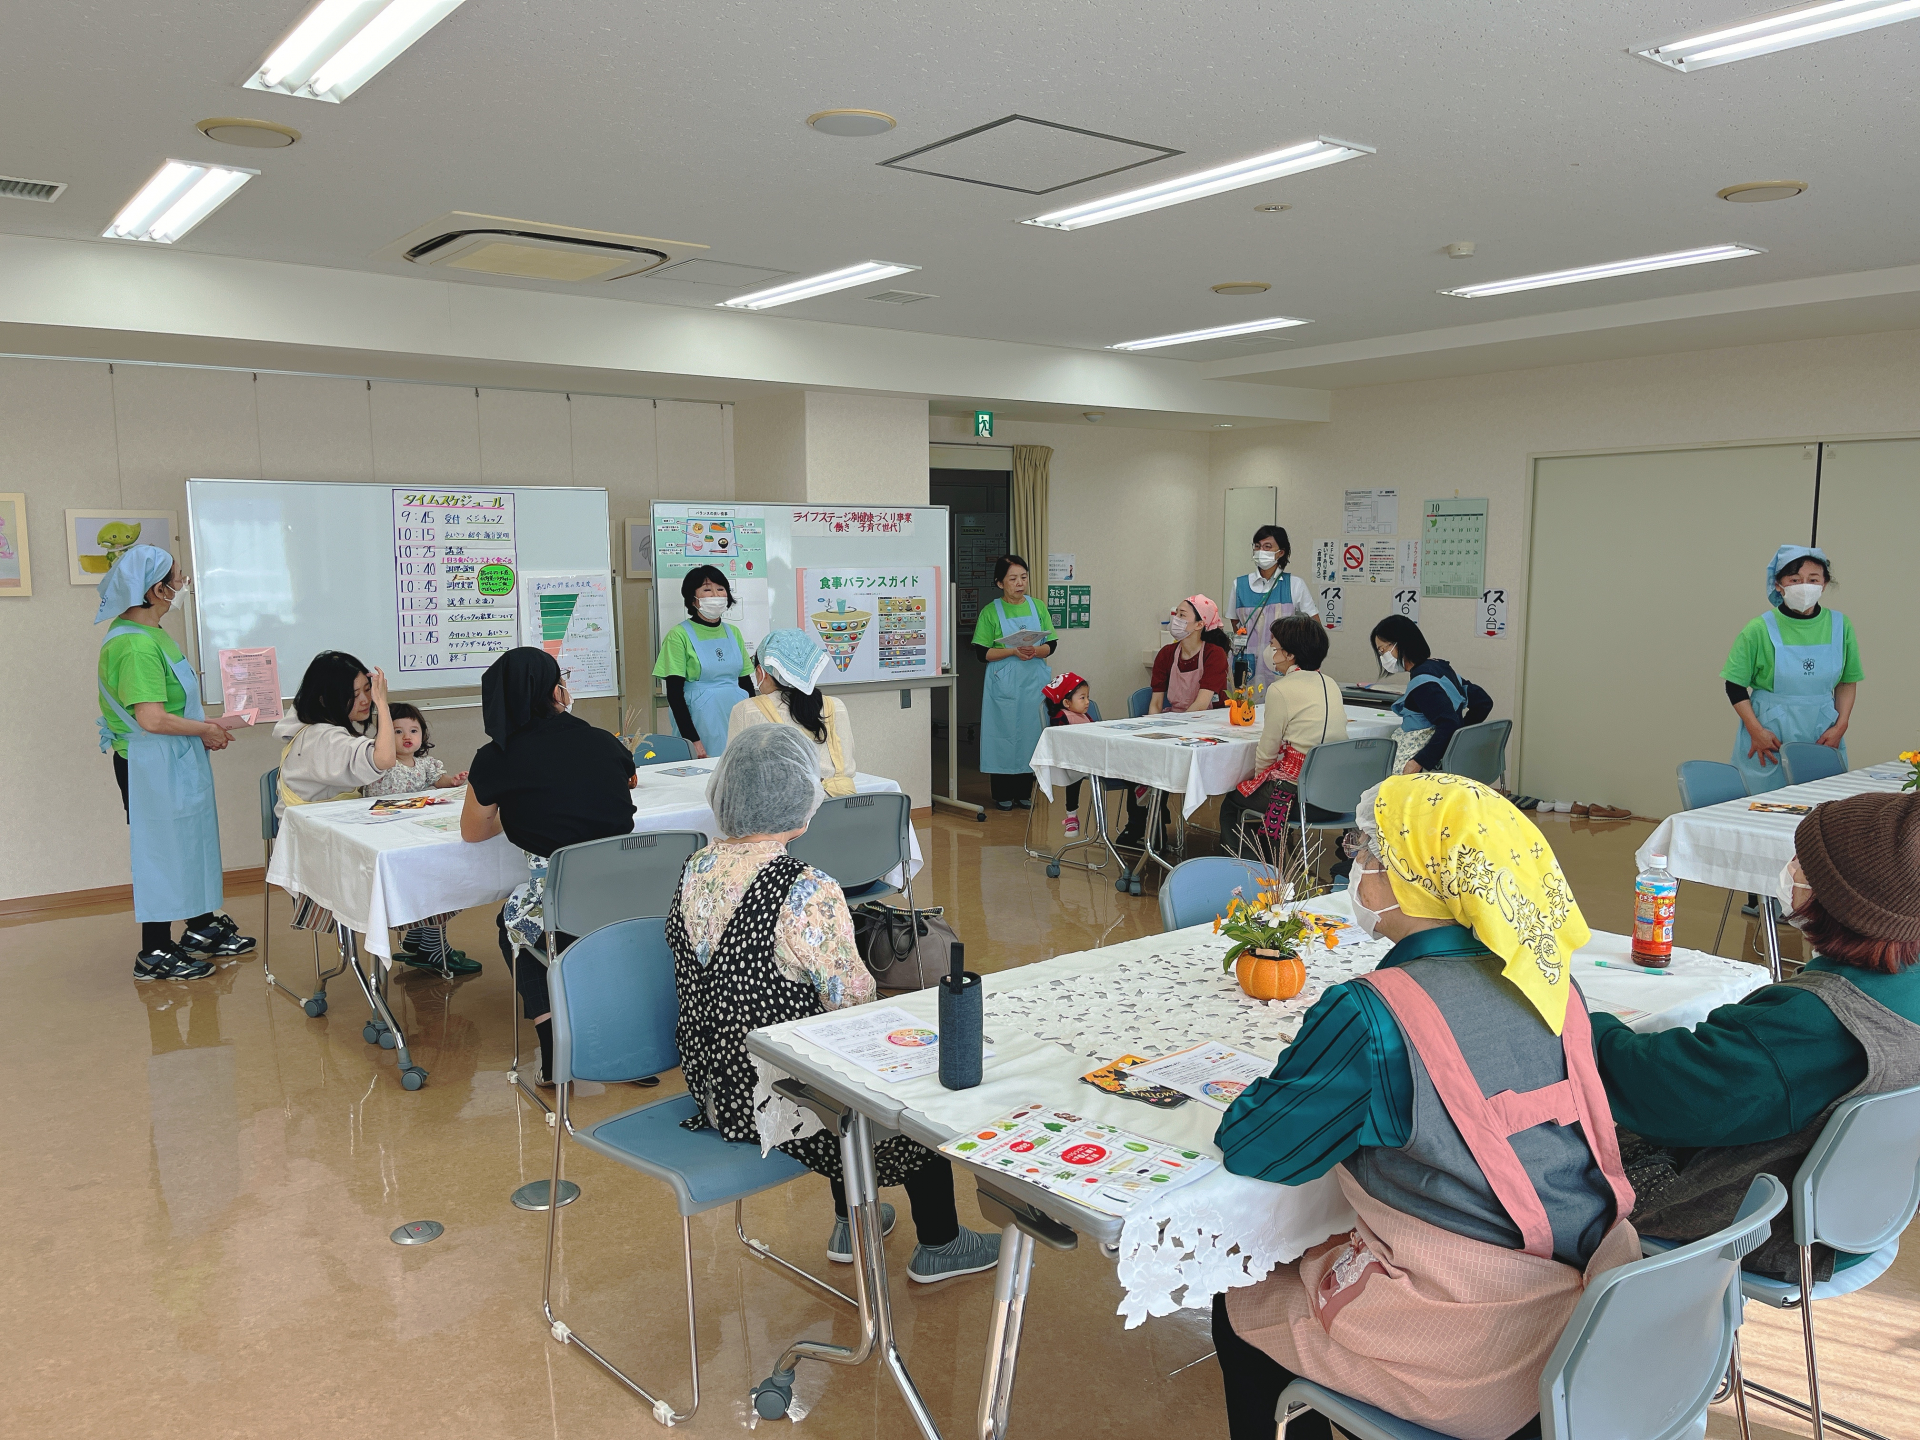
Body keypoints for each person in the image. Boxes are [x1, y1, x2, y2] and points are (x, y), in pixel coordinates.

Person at [1211, 775, 1637, 1440]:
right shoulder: (1551, 980)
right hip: (1597, 1304)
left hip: (1475, 1341)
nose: (1357, 864)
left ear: (1412, 876)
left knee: (1239, 1298)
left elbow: (1260, 1149)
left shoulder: (1373, 1009)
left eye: (1366, 850)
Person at [667, 724, 1002, 1279]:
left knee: (810, 1046)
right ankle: (941, 1242)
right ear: (802, 808)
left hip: (716, 1086)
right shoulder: (804, 888)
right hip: (786, 1104)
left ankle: (853, 1221)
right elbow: (855, 1003)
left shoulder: (694, 867)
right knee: (895, 1093)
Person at [1595, 791, 1920, 1283]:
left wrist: (1588, 1023)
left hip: (1768, 1229)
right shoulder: (1890, 987)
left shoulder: (1811, 1021)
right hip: (1866, 1212)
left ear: (1841, 899)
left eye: (1803, 864)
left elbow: (1664, 1093)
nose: (1791, 870)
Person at [461, 647, 643, 1086]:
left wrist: (514, 807)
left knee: (514, 924)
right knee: (552, 918)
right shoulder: (603, 740)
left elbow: (473, 831)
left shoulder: (496, 757)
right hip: (629, 892)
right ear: (556, 691)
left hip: (562, 898)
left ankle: (553, 1047)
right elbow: (628, 782)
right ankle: (628, 1043)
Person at [95, 544, 254, 980]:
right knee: (162, 851)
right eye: (178, 578)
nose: (184, 585)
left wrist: (210, 723)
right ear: (156, 590)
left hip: (171, 756)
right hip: (149, 763)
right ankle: (154, 951)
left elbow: (170, 708)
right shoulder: (134, 646)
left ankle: (200, 926)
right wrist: (204, 730)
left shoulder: (153, 633)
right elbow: (151, 718)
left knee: (188, 841)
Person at [1723, 545, 1862, 794]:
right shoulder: (1758, 629)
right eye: (1795, 580)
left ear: (1824, 584)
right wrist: (1756, 731)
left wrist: (1841, 726)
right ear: (1778, 584)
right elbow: (1734, 685)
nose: (1804, 586)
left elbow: (1847, 681)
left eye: (1813, 579)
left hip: (1822, 731)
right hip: (1770, 735)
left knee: (1822, 803)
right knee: (1766, 804)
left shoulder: (1841, 625)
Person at [1218, 614, 1349, 858]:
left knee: (1233, 801)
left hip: (1298, 799)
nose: (1271, 652)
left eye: (1273, 646)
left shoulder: (1280, 689)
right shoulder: (1330, 683)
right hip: (1336, 796)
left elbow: (1267, 750)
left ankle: (1247, 868)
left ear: (1289, 655)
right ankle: (1272, 855)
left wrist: (1258, 782)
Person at [363, 704, 475, 976]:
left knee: (437, 869)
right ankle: (432, 944)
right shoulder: (380, 764)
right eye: (397, 731)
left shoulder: (425, 764)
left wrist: (453, 781)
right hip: (390, 835)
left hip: (418, 831)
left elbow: (439, 781)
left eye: (413, 730)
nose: (407, 737)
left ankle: (419, 936)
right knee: (432, 876)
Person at [1115, 596, 1230, 848]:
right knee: (1142, 757)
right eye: (1176, 614)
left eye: (1182, 615)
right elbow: (1156, 702)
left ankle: (1154, 816)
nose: (1176, 620)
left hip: (1207, 724)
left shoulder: (1214, 654)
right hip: (1173, 720)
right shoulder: (1167, 654)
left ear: (1199, 624)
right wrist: (1152, 729)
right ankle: (1142, 822)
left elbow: (1202, 703)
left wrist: (1177, 728)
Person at [726, 628, 857, 797]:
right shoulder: (836, 706)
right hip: (841, 806)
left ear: (761, 672)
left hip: (784, 810)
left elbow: (733, 775)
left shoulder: (746, 710)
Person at [972, 554, 1058, 810]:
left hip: (1033, 680)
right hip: (1004, 681)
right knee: (1003, 733)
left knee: (1032, 733)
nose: (1020, 583)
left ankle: (1024, 792)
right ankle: (1002, 794)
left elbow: (1052, 644)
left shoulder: (1038, 607)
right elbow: (982, 653)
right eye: (1013, 579)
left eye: (1023, 577)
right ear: (1000, 583)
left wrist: (1035, 650)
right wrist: (1012, 651)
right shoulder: (990, 612)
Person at [1369, 614, 1492, 775]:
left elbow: (1448, 724)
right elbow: (1483, 702)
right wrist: (1459, 738)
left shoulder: (1423, 684)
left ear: (1400, 644)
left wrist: (1419, 761)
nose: (1382, 656)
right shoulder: (1440, 668)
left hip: (1420, 764)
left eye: (1383, 650)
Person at [653, 564, 755, 758]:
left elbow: (745, 682)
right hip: (701, 722)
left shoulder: (733, 632)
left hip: (738, 717)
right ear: (693, 598)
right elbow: (674, 695)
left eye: (721, 589)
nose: (716, 595)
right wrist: (693, 740)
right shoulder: (678, 635)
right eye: (707, 590)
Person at [1229, 525, 1320, 691]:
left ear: (1281, 552)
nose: (1261, 551)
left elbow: (1314, 628)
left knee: (1281, 699)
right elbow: (1235, 622)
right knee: (1245, 701)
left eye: (1267, 546)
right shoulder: (1239, 585)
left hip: (1283, 662)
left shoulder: (1295, 585)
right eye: (1257, 546)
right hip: (1248, 662)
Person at [1043, 671, 1095, 838]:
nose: (1087, 702)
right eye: (1082, 698)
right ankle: (1071, 815)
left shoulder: (1085, 716)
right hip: (1072, 760)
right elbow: (1060, 740)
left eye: (1088, 697)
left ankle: (1138, 784)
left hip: (1090, 758)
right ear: (1066, 702)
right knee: (1075, 775)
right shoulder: (1061, 717)